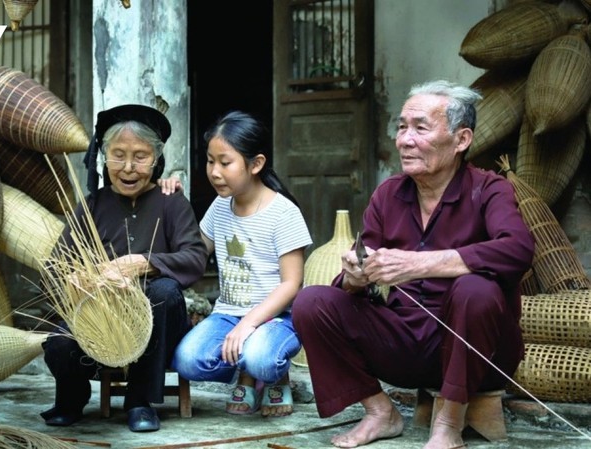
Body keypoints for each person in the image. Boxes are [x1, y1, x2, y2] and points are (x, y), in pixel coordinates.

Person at [291, 80, 535, 449]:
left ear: (461, 140)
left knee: (475, 289)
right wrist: (356, 276)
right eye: (402, 127)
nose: (405, 139)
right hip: (406, 343)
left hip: (480, 353)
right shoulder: (389, 194)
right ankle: (379, 413)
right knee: (313, 302)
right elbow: (363, 270)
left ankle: (448, 424)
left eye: (420, 127)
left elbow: (518, 250)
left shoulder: (489, 190)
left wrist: (419, 264)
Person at [40, 104, 208, 432]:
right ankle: (71, 399)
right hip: (101, 322)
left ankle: (139, 401)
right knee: (58, 340)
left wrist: (144, 263)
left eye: (140, 156)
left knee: (164, 291)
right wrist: (74, 281)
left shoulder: (171, 202)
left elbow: (195, 257)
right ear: (104, 156)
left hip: (156, 325)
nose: (129, 167)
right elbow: (54, 267)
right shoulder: (92, 206)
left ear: (156, 159)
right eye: (118, 155)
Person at [171, 111, 313, 418]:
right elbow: (194, 251)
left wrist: (248, 324)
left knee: (261, 357)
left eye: (225, 162)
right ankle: (246, 369)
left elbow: (292, 284)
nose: (214, 171)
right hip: (227, 315)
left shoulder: (283, 213)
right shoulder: (221, 205)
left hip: (276, 318)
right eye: (210, 161)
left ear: (256, 164)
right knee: (187, 360)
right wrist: (174, 204)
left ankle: (270, 374)